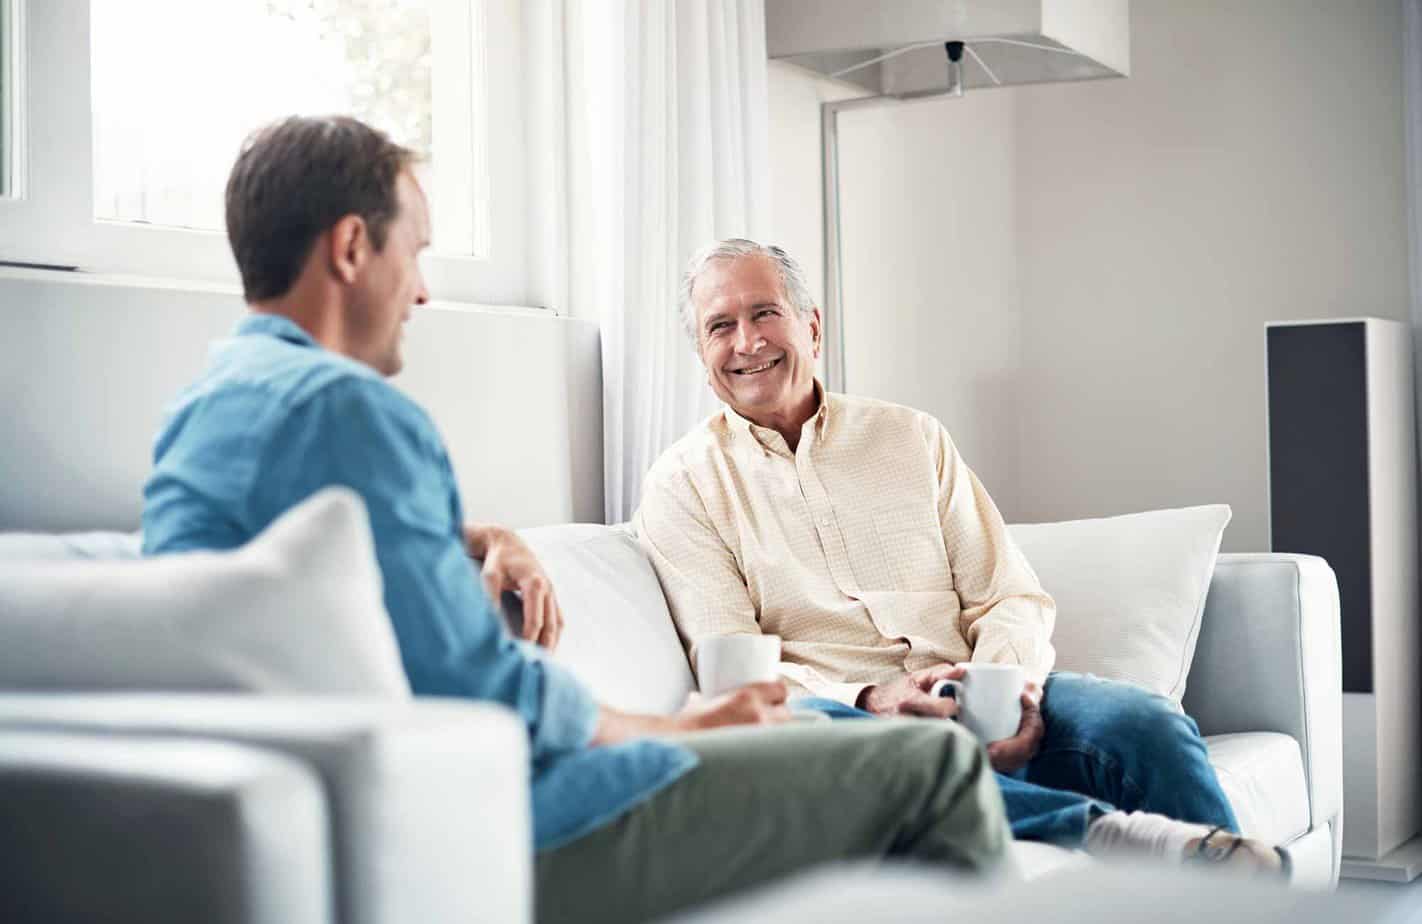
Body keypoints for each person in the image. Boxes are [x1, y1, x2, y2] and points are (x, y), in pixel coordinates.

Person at [141, 117, 1011, 924]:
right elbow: (490, 693)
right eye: (417, 252)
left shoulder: (203, 415)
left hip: (353, 823)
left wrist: (464, 537)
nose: (422, 292)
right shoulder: (354, 413)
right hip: (511, 833)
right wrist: (676, 726)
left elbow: (315, 578)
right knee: (932, 765)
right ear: (352, 246)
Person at [634, 238, 1290, 877]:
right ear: (702, 351)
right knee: (806, 735)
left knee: (1147, 722)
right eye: (720, 326)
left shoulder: (911, 438)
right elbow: (737, 674)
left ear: (810, 326)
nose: (746, 341)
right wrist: (872, 696)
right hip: (839, 719)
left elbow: (1008, 593)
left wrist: (1004, 694)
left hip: (977, 689)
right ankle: (1106, 832)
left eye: (764, 313)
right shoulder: (683, 484)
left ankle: (1238, 895)